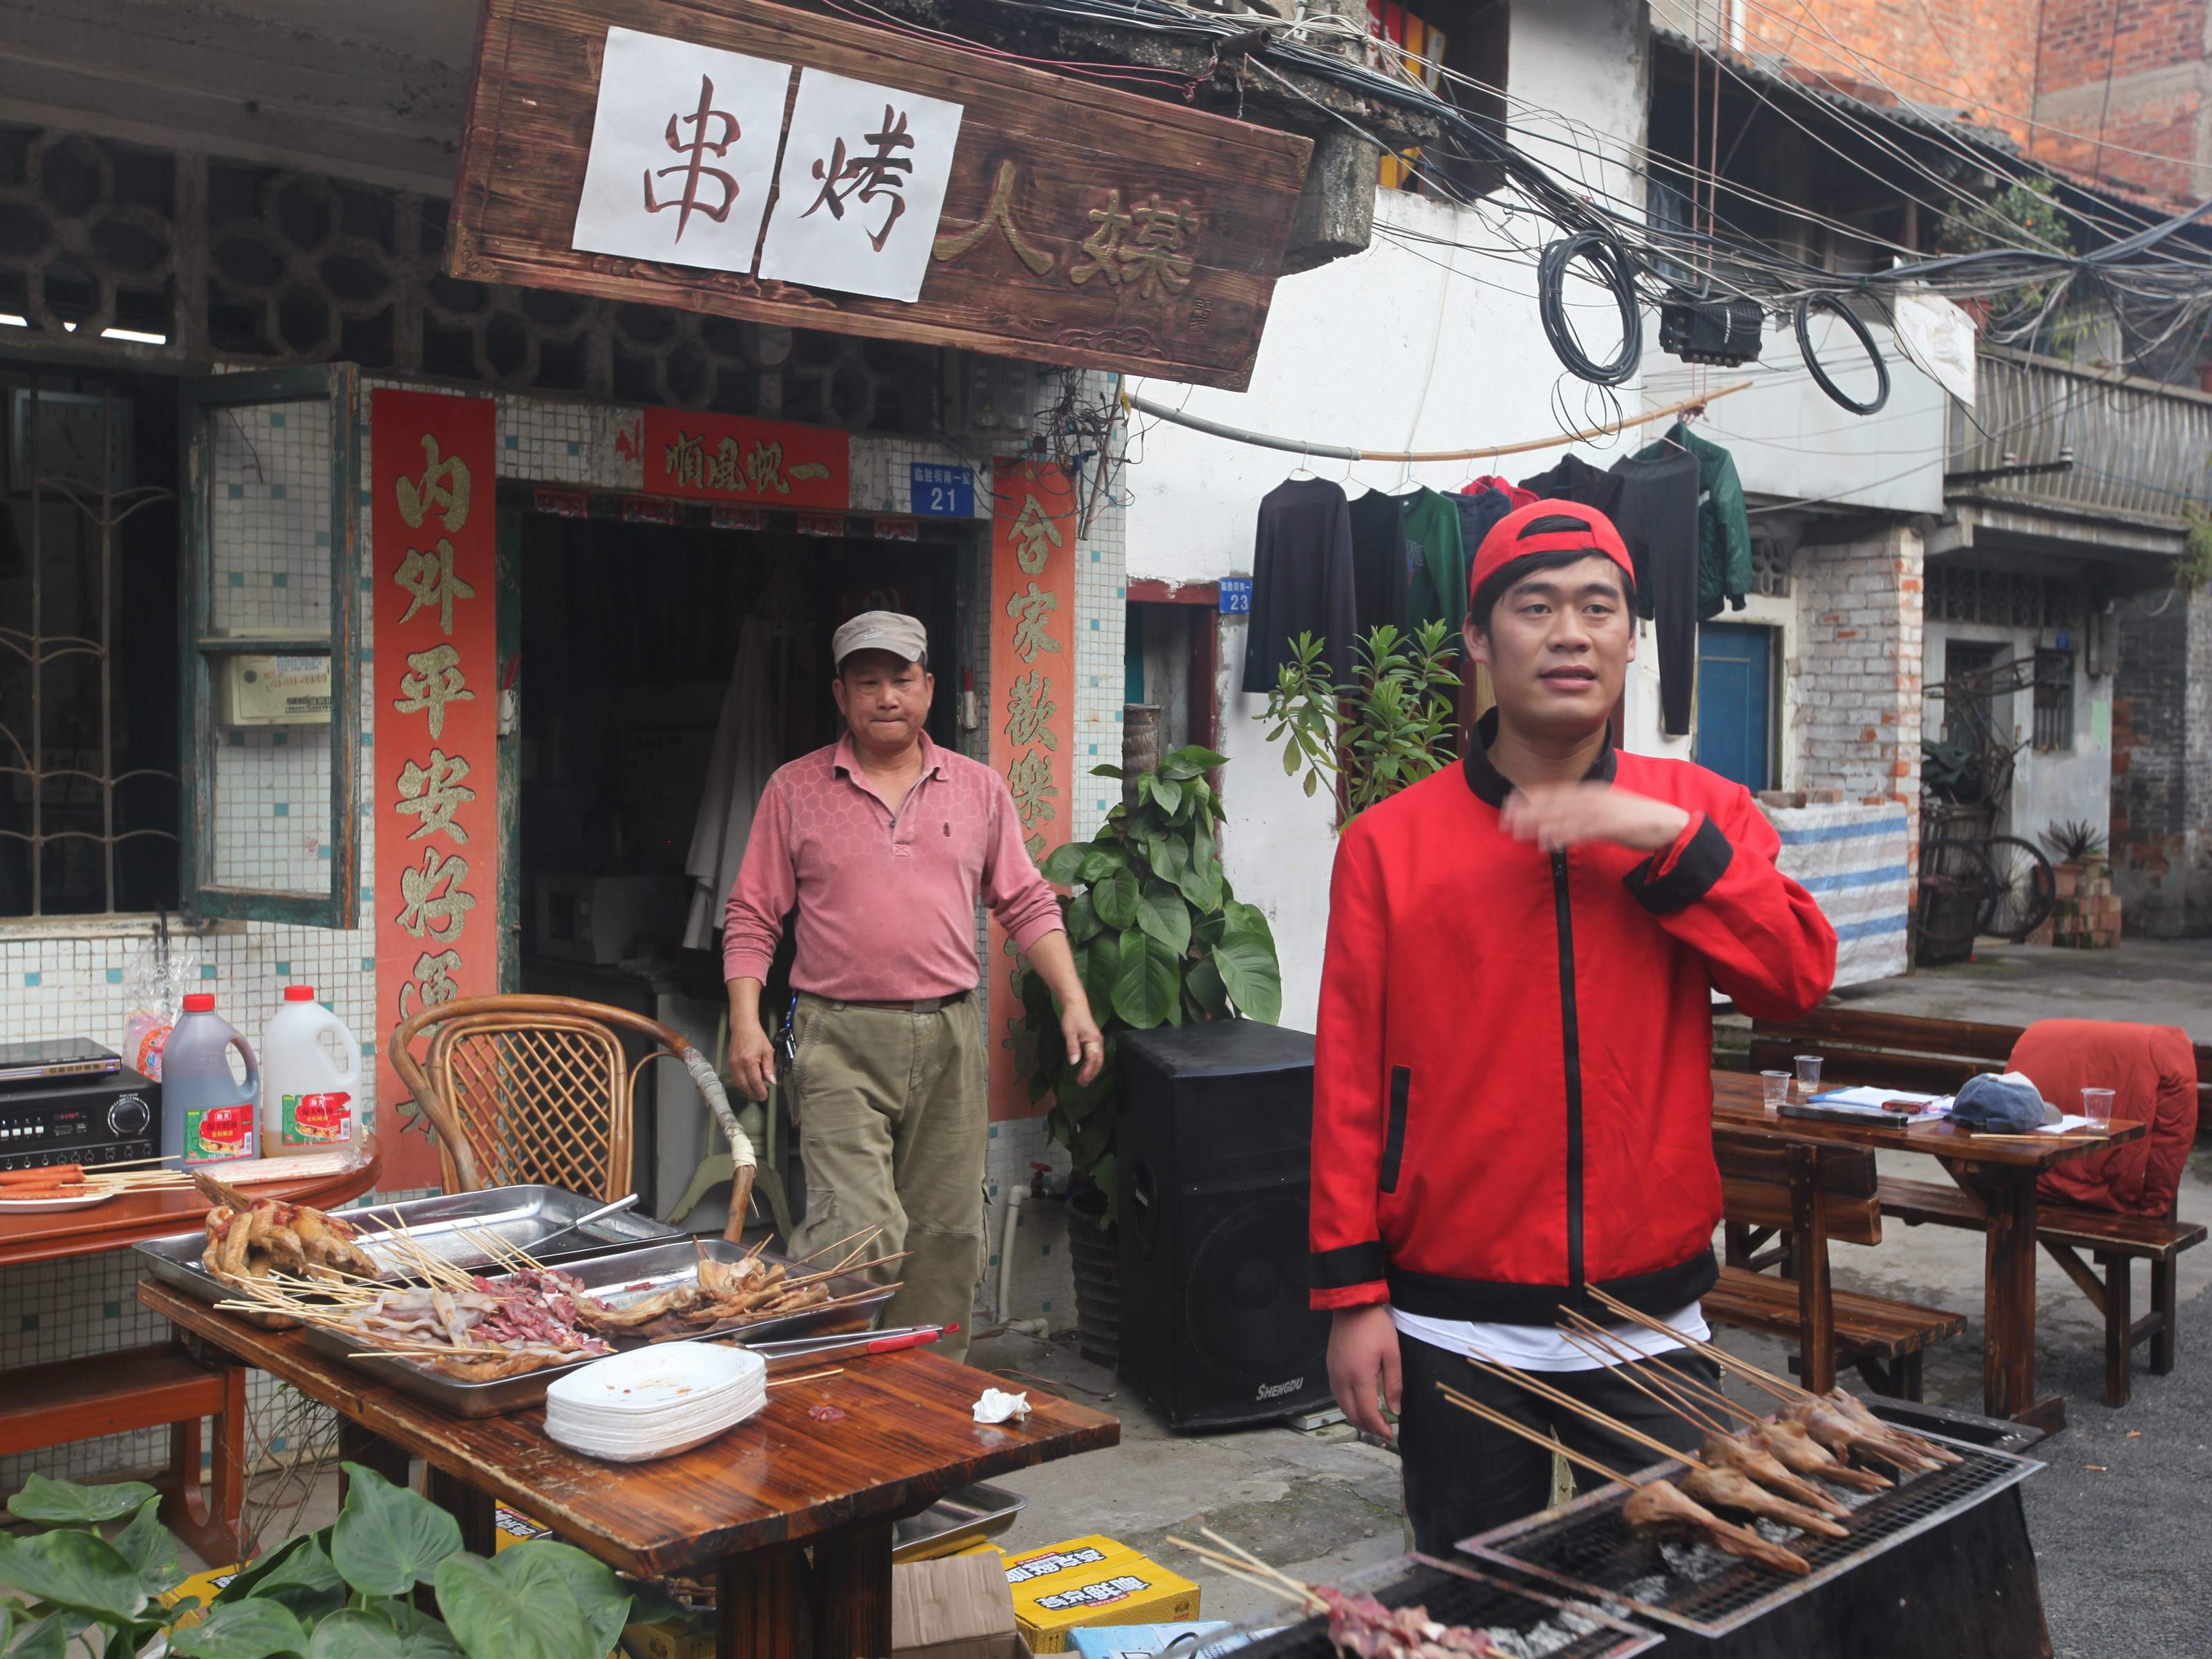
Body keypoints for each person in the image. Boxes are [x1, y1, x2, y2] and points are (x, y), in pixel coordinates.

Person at [1309, 500, 1838, 1551]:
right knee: (1480, 1609)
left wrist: (1656, 839)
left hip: (1648, 1327)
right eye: (1535, 606)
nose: (1570, 633)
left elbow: (1796, 978)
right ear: (1477, 639)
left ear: (1631, 640)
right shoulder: (1388, 843)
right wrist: (1351, 1296)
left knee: (1665, 1603)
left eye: (1600, 607)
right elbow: (1350, 1088)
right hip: (1455, 1322)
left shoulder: (1700, 813)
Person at [722, 611, 1103, 1361]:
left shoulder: (978, 789)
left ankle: (928, 1415)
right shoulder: (794, 789)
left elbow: (1024, 900)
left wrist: (1074, 1001)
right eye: (868, 682)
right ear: (841, 694)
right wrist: (744, 1019)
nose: (886, 697)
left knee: (946, 1235)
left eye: (901, 679)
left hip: (948, 1037)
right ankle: (818, 1387)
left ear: (928, 689)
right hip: (836, 1039)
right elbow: (752, 913)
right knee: (858, 1233)